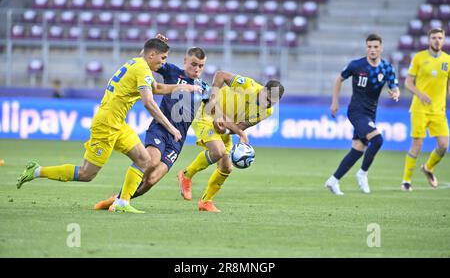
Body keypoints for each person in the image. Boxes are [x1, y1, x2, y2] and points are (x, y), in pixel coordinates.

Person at [16, 38, 200, 213]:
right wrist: (170, 127)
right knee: (86, 174)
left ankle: (122, 202)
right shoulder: (142, 69)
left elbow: (157, 88)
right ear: (151, 55)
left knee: (144, 160)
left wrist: (183, 87)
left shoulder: (137, 63)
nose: (163, 63)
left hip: (118, 123)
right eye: (162, 58)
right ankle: (37, 171)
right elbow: (149, 102)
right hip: (106, 124)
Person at [94, 46, 209, 211]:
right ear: (185, 61)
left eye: (201, 66)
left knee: (152, 179)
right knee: (151, 161)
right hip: (160, 129)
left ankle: (118, 199)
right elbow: (144, 62)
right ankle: (121, 201)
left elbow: (214, 112)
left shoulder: (203, 88)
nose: (197, 69)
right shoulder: (173, 72)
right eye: (193, 64)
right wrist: (151, 46)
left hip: (178, 140)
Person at [177, 70, 285, 212]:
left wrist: (226, 130)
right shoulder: (248, 86)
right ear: (263, 91)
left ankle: (206, 202)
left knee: (226, 168)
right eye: (268, 99)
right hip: (207, 114)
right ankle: (186, 175)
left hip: (225, 123)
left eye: (273, 103)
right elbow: (220, 74)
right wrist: (212, 98)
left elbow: (240, 127)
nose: (269, 104)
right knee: (219, 151)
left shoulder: (267, 112)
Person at [325, 34, 400, 195]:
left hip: (371, 113)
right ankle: (362, 173)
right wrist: (335, 102)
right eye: (369, 47)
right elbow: (339, 79)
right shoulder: (357, 65)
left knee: (358, 149)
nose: (372, 50)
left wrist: (396, 94)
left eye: (375, 47)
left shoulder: (387, 68)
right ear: (366, 48)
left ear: (381, 48)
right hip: (356, 111)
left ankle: (333, 180)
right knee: (378, 140)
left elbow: (394, 86)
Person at [401, 28, 450, 191]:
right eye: (434, 37)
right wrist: (420, 94)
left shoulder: (448, 60)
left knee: (443, 145)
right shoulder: (419, 58)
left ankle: (428, 168)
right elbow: (408, 82)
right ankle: (406, 181)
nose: (437, 40)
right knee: (417, 144)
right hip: (420, 109)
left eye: (440, 38)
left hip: (439, 110)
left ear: (443, 40)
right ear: (429, 40)